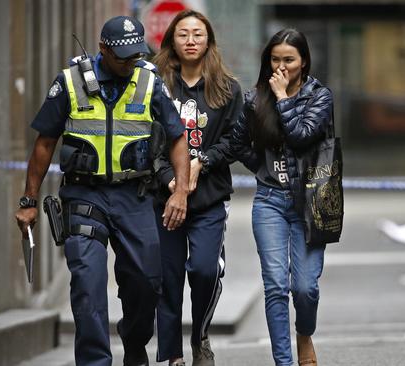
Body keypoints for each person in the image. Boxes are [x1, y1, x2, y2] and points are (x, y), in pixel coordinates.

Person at [14, 16, 190, 366]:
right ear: (103, 48)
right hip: (84, 196)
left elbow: (177, 137)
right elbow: (45, 142)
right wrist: (28, 201)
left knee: (145, 282)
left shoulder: (149, 81)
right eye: (122, 56)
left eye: (136, 54)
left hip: (135, 196)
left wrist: (180, 191)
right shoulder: (69, 82)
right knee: (88, 285)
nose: (130, 62)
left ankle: (135, 342)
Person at [230, 28, 333, 366]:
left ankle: (304, 335)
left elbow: (302, 136)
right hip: (269, 202)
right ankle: (284, 362)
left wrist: (284, 99)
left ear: (303, 61)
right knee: (275, 286)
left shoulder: (320, 97)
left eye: (289, 59)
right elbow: (237, 142)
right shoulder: (253, 99)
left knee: (305, 289)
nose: (281, 66)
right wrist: (260, 165)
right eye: (275, 59)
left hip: (310, 204)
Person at [151, 9, 242, 366]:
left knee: (204, 270)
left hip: (209, 198)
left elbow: (236, 139)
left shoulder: (226, 88)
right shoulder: (155, 86)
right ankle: (172, 355)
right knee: (168, 277)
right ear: (172, 40)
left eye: (198, 35)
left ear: (209, 42)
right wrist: (168, 178)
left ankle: (200, 334)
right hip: (163, 198)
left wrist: (201, 162)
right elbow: (145, 138)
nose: (191, 41)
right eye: (183, 34)